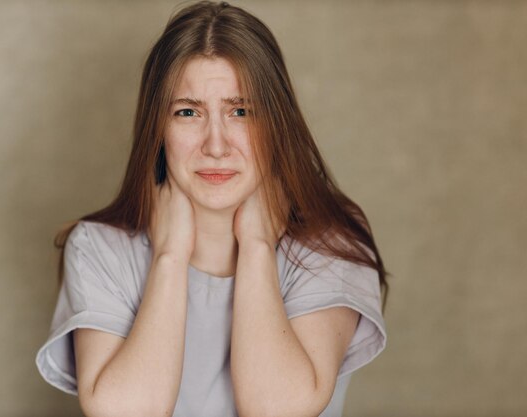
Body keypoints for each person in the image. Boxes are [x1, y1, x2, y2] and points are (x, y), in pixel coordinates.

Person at [35, 2, 388, 416]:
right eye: (188, 112)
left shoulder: (330, 238)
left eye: (241, 111)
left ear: (276, 123)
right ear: (158, 127)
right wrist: (169, 256)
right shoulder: (99, 247)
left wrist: (256, 246)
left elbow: (278, 411)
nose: (216, 145)